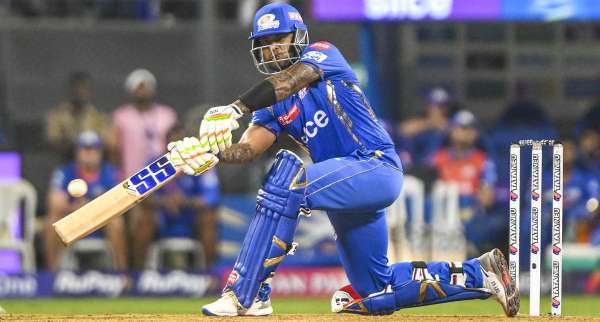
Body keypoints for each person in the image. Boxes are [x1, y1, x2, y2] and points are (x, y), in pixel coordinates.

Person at [166, 3, 518, 317]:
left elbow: (289, 82)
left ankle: (249, 293)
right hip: (344, 191)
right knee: (376, 292)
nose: (273, 47)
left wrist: (237, 107)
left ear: (298, 37)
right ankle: (483, 274)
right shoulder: (272, 103)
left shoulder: (323, 55)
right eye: (266, 42)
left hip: (374, 166)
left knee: (288, 179)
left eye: (280, 38)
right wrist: (212, 152)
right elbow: (248, 149)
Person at [135, 125, 220, 269]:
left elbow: (211, 197)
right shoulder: (154, 164)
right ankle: (139, 273)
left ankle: (209, 274)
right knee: (143, 219)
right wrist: (165, 201)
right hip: (163, 218)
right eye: (172, 144)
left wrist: (184, 202)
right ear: (165, 145)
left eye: (179, 144)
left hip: (190, 218)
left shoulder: (202, 163)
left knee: (208, 219)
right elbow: (142, 196)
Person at [44, 131, 127, 271]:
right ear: (77, 151)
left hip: (100, 223)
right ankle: (52, 275)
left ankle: (122, 273)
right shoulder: (64, 172)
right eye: (85, 148)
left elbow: (119, 201)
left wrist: (90, 207)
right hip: (73, 223)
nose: (89, 153)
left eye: (93, 148)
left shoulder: (110, 172)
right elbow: (54, 202)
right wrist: (74, 207)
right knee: (51, 221)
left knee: (117, 222)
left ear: (100, 151)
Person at [429, 110, 500, 255]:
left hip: (470, 214)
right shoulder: (437, 158)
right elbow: (426, 189)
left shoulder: (483, 160)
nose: (466, 132)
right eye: (461, 127)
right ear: (452, 131)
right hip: (440, 213)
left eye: (471, 128)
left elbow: (487, 199)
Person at [46, 71, 109, 160]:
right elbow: (53, 140)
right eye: (77, 88)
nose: (80, 92)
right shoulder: (57, 115)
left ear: (89, 91)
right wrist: (73, 143)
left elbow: (105, 142)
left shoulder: (99, 116)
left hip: (92, 166)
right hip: (65, 163)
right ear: (71, 90)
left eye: (84, 88)